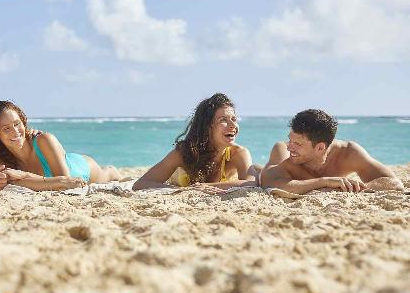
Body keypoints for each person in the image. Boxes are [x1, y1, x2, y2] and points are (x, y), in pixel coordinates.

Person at [133, 93, 259, 192]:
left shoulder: (239, 153)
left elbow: (251, 183)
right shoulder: (185, 152)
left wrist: (206, 186)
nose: (233, 125)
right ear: (207, 126)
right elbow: (141, 184)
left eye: (234, 119)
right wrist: (185, 190)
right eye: (223, 120)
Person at [0, 100, 122, 191]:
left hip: (81, 167)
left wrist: (22, 176)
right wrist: (21, 178)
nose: (15, 132)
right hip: (64, 170)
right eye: (6, 128)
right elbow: (10, 182)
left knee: (106, 176)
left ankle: (111, 170)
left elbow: (67, 182)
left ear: (23, 122)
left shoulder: (44, 140)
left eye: (17, 124)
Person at [261, 109, 404, 194]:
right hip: (273, 166)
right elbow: (269, 181)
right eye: (290, 140)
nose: (289, 146)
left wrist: (353, 188)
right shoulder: (286, 155)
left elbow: (394, 183)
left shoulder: (348, 153)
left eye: (297, 143)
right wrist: (326, 182)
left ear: (320, 147)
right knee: (264, 166)